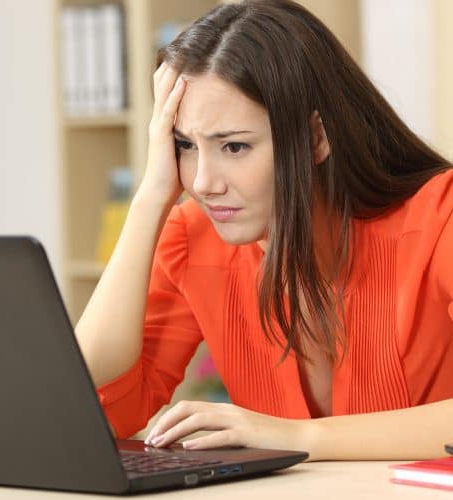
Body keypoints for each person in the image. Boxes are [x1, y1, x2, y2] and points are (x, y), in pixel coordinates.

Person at [74, 0, 453, 461]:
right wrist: (151, 196)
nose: (203, 183)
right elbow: (96, 405)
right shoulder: (192, 237)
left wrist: (294, 438)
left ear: (316, 137)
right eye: (185, 146)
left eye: (234, 146)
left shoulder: (439, 218)